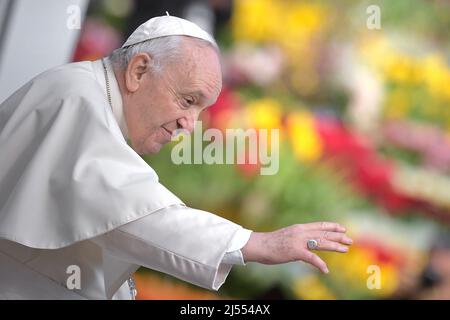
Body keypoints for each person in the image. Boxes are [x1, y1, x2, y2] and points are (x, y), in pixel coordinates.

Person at [0, 15, 353, 300]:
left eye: (201, 109)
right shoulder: (76, 99)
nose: (190, 124)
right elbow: (131, 214)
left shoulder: (90, 94)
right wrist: (253, 243)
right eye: (187, 101)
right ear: (139, 70)